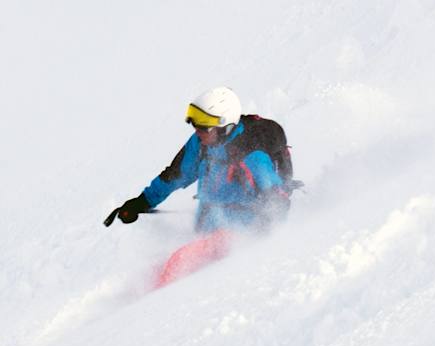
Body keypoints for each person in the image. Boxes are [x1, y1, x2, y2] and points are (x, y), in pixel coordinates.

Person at [104, 87, 297, 286]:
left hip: (240, 234)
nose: (197, 131)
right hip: (206, 229)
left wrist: (257, 237)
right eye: (195, 125)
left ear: (224, 126)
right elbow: (173, 176)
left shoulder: (252, 153)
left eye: (204, 126)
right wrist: (141, 202)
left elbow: (277, 200)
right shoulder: (200, 143)